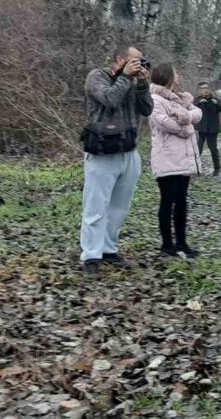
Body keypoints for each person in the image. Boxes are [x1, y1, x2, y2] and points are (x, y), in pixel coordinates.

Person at [79, 46, 153, 276]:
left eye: (141, 61)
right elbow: (109, 99)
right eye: (135, 61)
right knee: (96, 206)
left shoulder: (131, 82)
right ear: (120, 59)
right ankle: (91, 255)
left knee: (120, 207)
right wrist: (124, 77)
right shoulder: (97, 76)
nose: (138, 65)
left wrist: (142, 85)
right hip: (102, 150)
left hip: (128, 150)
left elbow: (147, 109)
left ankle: (109, 248)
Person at [148, 63, 203, 258]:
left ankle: (182, 243)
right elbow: (164, 122)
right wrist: (187, 126)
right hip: (166, 159)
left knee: (181, 202)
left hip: (182, 160)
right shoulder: (154, 99)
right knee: (167, 201)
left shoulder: (179, 99)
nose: (178, 76)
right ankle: (166, 245)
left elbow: (198, 113)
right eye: (176, 72)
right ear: (169, 76)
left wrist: (184, 115)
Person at [194, 82, 221, 176]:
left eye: (206, 88)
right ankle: (196, 168)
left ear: (209, 89)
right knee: (198, 148)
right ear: (199, 90)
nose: (205, 90)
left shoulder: (215, 99)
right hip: (202, 128)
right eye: (202, 88)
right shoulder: (198, 100)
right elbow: (191, 108)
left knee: (213, 149)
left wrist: (216, 104)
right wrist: (200, 103)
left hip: (213, 129)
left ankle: (217, 168)